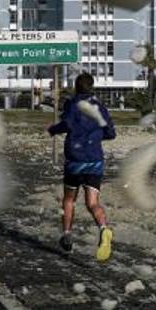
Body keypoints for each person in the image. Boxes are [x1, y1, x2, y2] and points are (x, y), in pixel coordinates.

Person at [48, 73, 115, 260]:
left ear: (76, 87)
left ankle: (67, 234)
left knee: (69, 199)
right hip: (95, 159)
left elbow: (67, 124)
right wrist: (95, 137)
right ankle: (104, 228)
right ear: (92, 87)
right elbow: (111, 132)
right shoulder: (100, 106)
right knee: (93, 202)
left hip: (75, 160)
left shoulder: (72, 104)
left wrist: (53, 130)